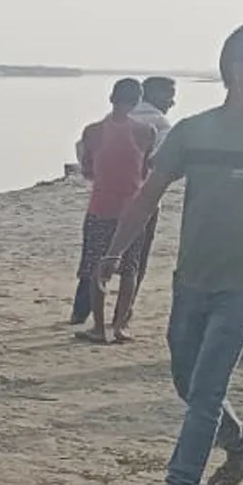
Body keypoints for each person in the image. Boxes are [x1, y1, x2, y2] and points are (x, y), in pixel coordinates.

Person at [98, 23, 243, 485]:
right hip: (191, 278)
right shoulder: (193, 132)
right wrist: (113, 254)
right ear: (237, 69)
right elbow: (146, 198)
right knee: (186, 380)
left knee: (208, 391)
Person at [72, 76, 176, 324]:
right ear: (141, 98)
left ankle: (93, 322)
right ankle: (120, 323)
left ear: (111, 98)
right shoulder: (152, 128)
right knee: (131, 267)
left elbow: (87, 168)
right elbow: (148, 169)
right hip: (135, 205)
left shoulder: (94, 130)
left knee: (96, 265)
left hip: (101, 204)